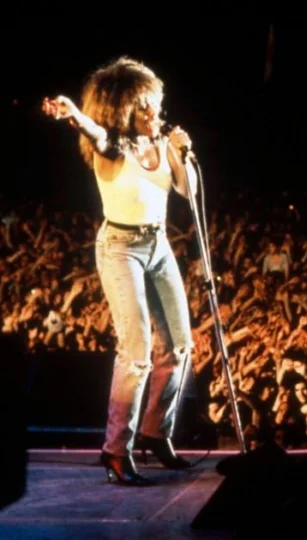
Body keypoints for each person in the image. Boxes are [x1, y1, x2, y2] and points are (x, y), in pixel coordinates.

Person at [42, 57, 198, 486]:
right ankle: (114, 451)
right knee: (137, 353)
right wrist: (74, 115)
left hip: (159, 245)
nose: (154, 114)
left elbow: (188, 193)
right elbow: (93, 131)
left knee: (180, 346)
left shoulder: (162, 143)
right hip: (120, 248)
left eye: (155, 105)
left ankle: (155, 432)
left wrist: (181, 154)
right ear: (124, 110)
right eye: (144, 108)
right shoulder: (112, 145)